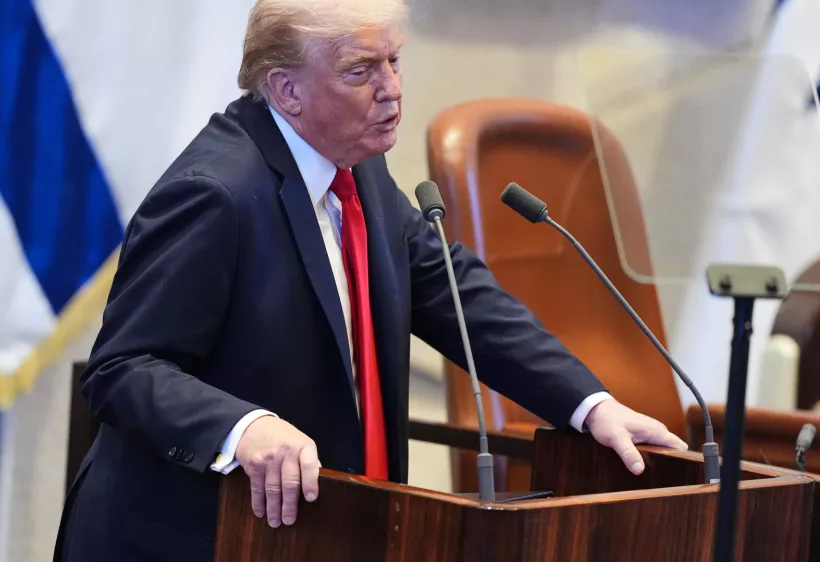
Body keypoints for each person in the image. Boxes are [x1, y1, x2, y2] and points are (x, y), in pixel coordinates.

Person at [54, 0, 688, 560]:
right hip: (191, 536)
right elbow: (124, 368)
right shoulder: (215, 194)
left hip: (317, 526)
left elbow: (459, 296)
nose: (392, 90)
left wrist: (591, 405)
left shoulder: (359, 170)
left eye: (394, 61)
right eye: (361, 71)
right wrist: (242, 427)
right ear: (287, 90)